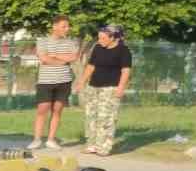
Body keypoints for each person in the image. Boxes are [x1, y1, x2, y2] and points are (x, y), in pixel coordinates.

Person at [74, 24, 132, 156]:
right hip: (93, 86)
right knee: (91, 115)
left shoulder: (123, 50)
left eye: (103, 38)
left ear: (113, 37)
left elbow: (126, 71)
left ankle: (103, 147)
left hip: (111, 88)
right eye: (99, 37)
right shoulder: (98, 48)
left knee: (106, 118)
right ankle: (92, 145)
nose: (100, 40)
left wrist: (121, 87)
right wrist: (82, 82)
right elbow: (91, 66)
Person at [31, 16, 79, 150]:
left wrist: (54, 56)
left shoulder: (72, 42)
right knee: (42, 109)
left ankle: (51, 140)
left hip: (64, 80)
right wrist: (63, 60)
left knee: (57, 110)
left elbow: (73, 57)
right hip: (46, 81)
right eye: (64, 26)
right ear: (55, 26)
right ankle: (37, 139)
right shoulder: (42, 41)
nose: (67, 29)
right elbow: (44, 59)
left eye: (68, 26)